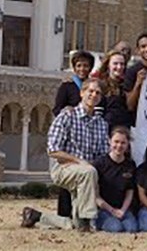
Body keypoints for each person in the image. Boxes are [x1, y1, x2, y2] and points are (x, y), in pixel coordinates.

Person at [21, 79, 109, 232]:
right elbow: (53, 150)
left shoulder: (102, 124)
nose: (94, 95)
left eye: (98, 93)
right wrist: (79, 162)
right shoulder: (66, 117)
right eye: (91, 91)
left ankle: (37, 216)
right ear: (82, 93)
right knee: (88, 171)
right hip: (63, 168)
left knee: (74, 223)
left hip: (86, 174)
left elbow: (103, 154)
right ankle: (87, 220)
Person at [52, 50, 95, 219]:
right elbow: (57, 109)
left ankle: (80, 215)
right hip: (70, 137)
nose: (82, 69)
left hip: (87, 135)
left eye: (86, 65)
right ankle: (64, 214)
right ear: (74, 67)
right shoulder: (67, 86)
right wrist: (66, 110)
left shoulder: (94, 86)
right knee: (69, 176)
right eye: (79, 65)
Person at [94, 126, 138, 233]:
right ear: (109, 141)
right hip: (104, 209)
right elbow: (95, 195)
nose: (119, 146)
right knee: (116, 228)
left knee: (131, 228)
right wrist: (111, 210)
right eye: (116, 141)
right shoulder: (99, 163)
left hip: (123, 209)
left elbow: (130, 191)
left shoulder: (130, 165)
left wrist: (123, 210)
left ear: (128, 145)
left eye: (123, 143)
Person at [98, 49, 133, 130]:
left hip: (125, 130)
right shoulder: (101, 85)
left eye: (122, 64)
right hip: (107, 130)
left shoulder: (128, 85)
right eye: (115, 64)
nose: (119, 67)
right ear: (108, 65)